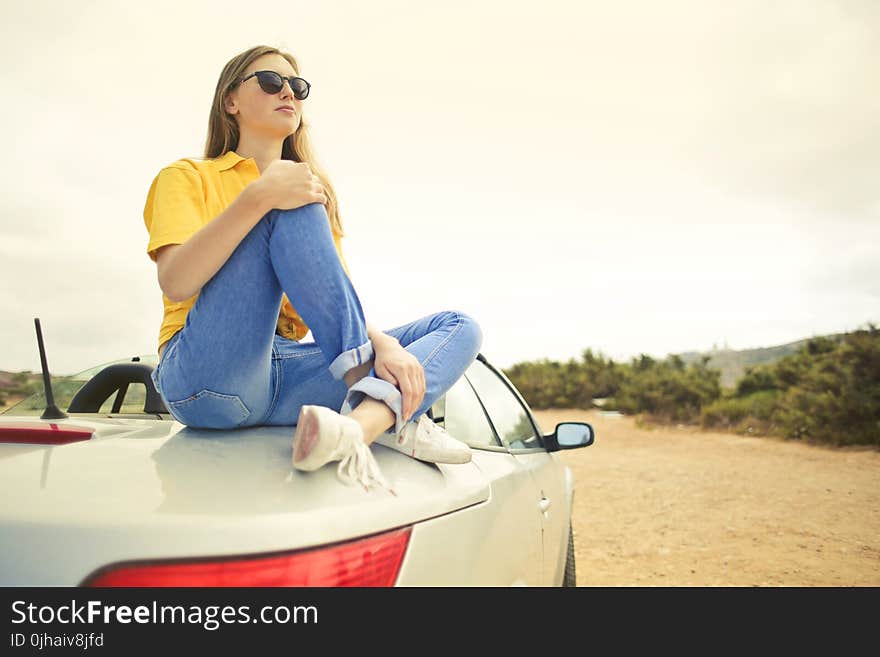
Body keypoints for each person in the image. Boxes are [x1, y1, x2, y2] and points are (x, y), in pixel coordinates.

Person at [143, 45, 484, 494]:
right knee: (292, 195)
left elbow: (327, 303)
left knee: (458, 325)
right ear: (231, 101)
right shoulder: (187, 176)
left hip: (282, 377)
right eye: (270, 81)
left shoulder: (311, 192)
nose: (288, 92)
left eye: (298, 87)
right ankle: (385, 404)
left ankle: (360, 426)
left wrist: (383, 345)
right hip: (204, 374)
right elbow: (177, 280)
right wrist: (259, 197)